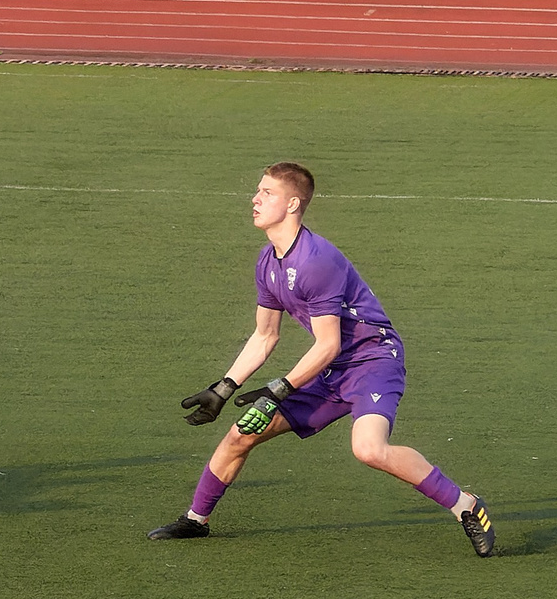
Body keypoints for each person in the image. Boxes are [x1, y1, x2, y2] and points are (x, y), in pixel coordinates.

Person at [149, 162, 497, 557]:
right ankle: (196, 521)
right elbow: (265, 335)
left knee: (369, 449)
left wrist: (280, 389)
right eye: (257, 191)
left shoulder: (316, 260)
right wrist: (224, 387)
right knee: (240, 433)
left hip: (372, 361)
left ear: (293, 203)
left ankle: (465, 505)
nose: (255, 198)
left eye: (266, 193)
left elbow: (328, 343)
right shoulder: (268, 261)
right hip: (328, 369)